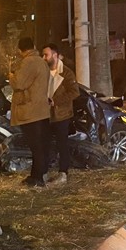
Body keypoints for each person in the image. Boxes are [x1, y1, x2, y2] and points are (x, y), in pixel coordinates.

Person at [9, 36, 51, 188]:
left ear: (20, 50)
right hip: (42, 109)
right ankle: (38, 174)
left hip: (30, 111)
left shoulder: (28, 62)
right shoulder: (42, 62)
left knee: (35, 146)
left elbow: (19, 83)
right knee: (41, 145)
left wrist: (11, 76)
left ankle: (38, 178)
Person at [42, 43, 79, 185]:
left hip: (61, 115)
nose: (44, 58)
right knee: (44, 144)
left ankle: (63, 172)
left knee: (62, 144)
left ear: (55, 55)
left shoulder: (67, 73)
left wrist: (56, 101)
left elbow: (74, 92)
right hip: (45, 114)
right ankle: (44, 172)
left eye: (46, 55)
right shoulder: (44, 72)